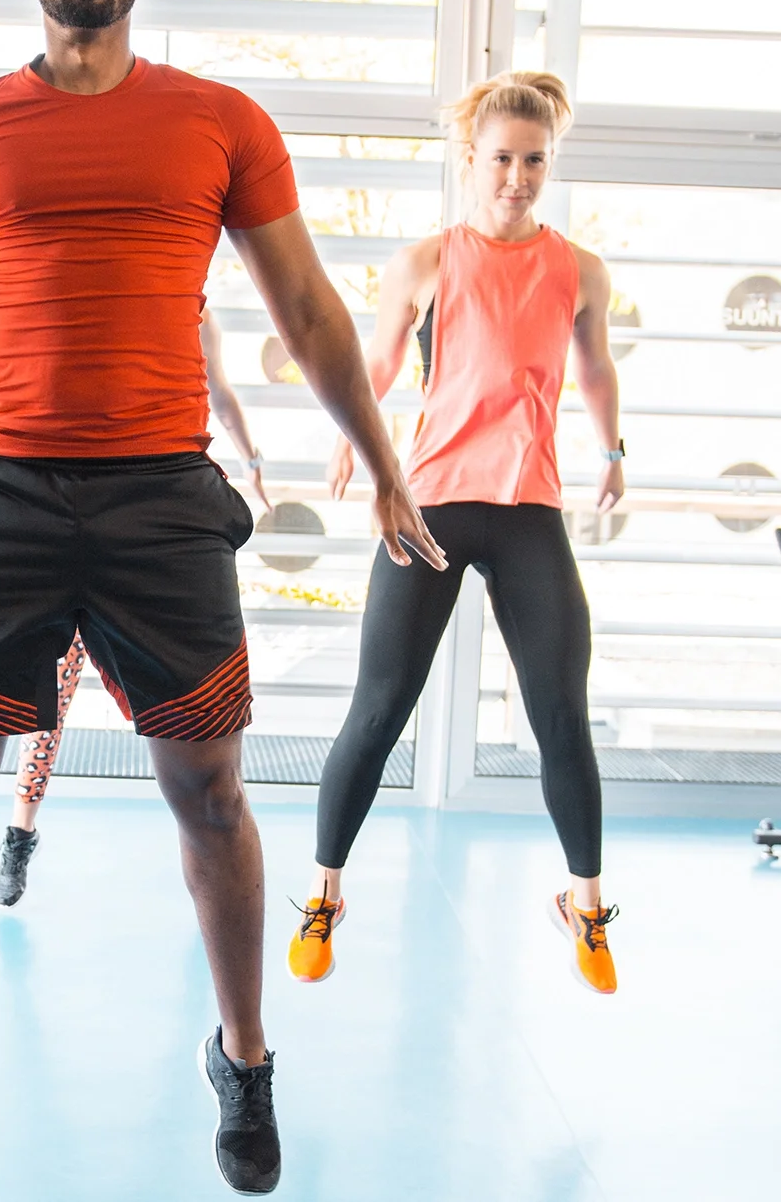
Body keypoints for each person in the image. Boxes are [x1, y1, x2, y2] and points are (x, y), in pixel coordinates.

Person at [0, 0, 442, 1195]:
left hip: (163, 497)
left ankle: (245, 1055)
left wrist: (384, 463)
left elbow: (312, 308)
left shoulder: (219, 120)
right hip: (3, 493)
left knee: (207, 791)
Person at [299, 71, 625, 994]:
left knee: (561, 713)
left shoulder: (580, 270)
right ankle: (325, 892)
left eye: (534, 161)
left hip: (529, 509)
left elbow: (595, 370)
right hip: (430, 505)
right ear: (468, 160)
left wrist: (614, 449)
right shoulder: (427, 262)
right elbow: (378, 363)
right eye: (501, 159)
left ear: (548, 164)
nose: (516, 177)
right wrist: (349, 442)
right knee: (380, 705)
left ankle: (586, 904)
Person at [0, 312, 271, 906]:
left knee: (190, 731)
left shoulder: (197, 321)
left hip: (151, 534)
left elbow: (219, 390)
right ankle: (19, 833)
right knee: (49, 706)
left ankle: (206, 854)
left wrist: (251, 459)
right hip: (58, 523)